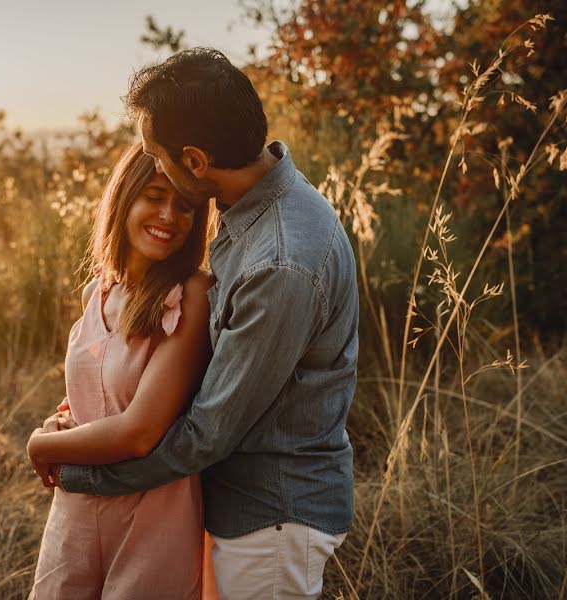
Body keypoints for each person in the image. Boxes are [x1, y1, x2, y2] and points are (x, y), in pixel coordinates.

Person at [47, 48, 360, 599]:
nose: (154, 166)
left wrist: (80, 473)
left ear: (194, 160)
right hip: (243, 506)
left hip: (272, 517)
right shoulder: (255, 216)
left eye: (157, 157)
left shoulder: (279, 262)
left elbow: (205, 433)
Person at [26, 142, 216, 599]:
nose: (170, 216)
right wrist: (64, 421)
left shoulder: (190, 293)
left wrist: (41, 444)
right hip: (76, 510)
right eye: (154, 195)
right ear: (124, 197)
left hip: (152, 517)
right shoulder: (96, 291)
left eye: (186, 206)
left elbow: (139, 432)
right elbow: (95, 394)